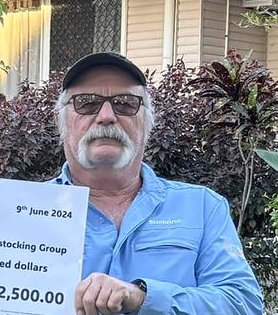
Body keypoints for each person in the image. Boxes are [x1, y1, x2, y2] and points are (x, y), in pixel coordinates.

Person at [52, 52, 263, 315]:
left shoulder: (203, 208)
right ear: (62, 121)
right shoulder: (17, 213)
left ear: (147, 122)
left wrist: (142, 297)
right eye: (86, 103)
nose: (106, 115)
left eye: (126, 103)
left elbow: (243, 304)